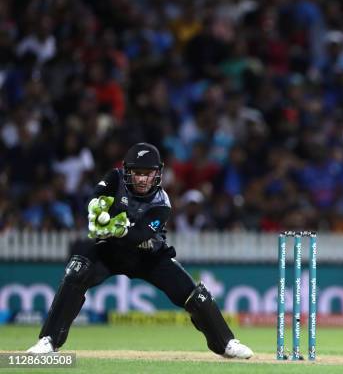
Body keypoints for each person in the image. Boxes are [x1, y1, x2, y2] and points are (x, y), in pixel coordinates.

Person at [27, 142, 253, 359]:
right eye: (137, 172)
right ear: (127, 171)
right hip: (111, 252)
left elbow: (139, 235)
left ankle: (226, 343)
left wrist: (113, 226)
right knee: (76, 272)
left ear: (157, 174)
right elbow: (95, 198)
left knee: (195, 295)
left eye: (148, 173)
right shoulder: (115, 178)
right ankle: (48, 340)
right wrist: (96, 209)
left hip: (150, 257)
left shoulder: (162, 203)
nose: (143, 178)